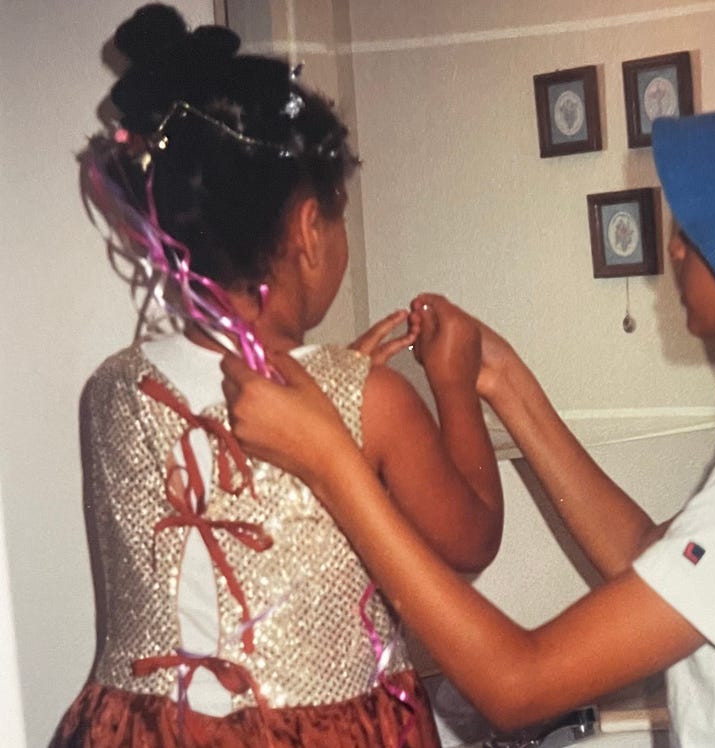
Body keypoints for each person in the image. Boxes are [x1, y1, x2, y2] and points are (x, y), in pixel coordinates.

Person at [222, 77, 715, 748]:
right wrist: (502, 380)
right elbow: (648, 556)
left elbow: (520, 684)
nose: (676, 246)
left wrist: (332, 465)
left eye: (703, 230)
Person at [54, 4, 502, 746]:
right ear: (306, 230)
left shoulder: (112, 388)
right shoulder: (370, 402)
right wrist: (454, 388)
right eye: (337, 216)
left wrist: (333, 380)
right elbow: (473, 537)